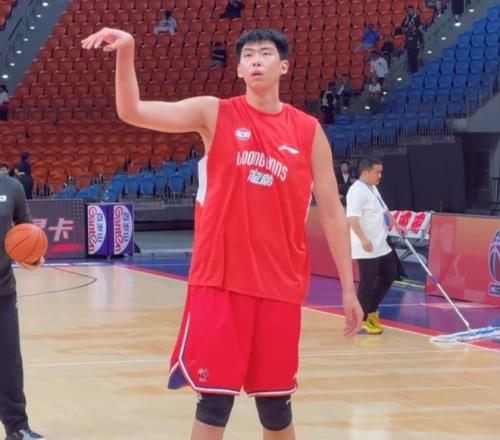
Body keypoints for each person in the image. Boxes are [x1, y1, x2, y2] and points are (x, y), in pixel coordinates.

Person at [82, 27, 363, 439]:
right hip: (220, 281)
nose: (256, 60)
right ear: (238, 70)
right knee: (214, 403)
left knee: (276, 406)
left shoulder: (307, 131)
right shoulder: (214, 114)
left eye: (265, 53)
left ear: (284, 66)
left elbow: (334, 215)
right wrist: (127, 53)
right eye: (248, 55)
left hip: (280, 285)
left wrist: (348, 289)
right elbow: (133, 111)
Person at [0, 173, 45, 440]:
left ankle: (17, 427)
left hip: (3, 289)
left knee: (9, 361)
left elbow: (26, 230)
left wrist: (33, 255)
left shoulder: (11, 187)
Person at [346, 158, 403, 335]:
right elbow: (352, 218)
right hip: (366, 246)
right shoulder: (356, 191)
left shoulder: (372, 188)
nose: (380, 175)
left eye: (381, 172)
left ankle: (371, 310)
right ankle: (361, 320)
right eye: (377, 172)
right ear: (365, 173)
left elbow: (384, 209)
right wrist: (363, 239)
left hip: (381, 243)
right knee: (367, 283)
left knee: (389, 274)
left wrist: (396, 224)